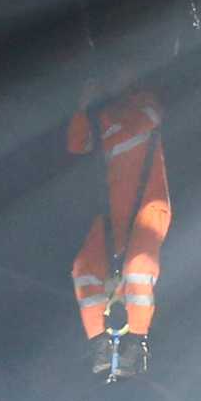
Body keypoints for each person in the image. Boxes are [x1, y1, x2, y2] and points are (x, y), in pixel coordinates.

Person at [69, 81, 171, 378]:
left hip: (149, 206)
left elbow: (143, 121)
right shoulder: (103, 117)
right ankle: (99, 345)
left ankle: (136, 345)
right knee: (83, 268)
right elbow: (77, 144)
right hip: (113, 215)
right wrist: (83, 107)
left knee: (138, 268)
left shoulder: (146, 102)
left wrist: (107, 113)